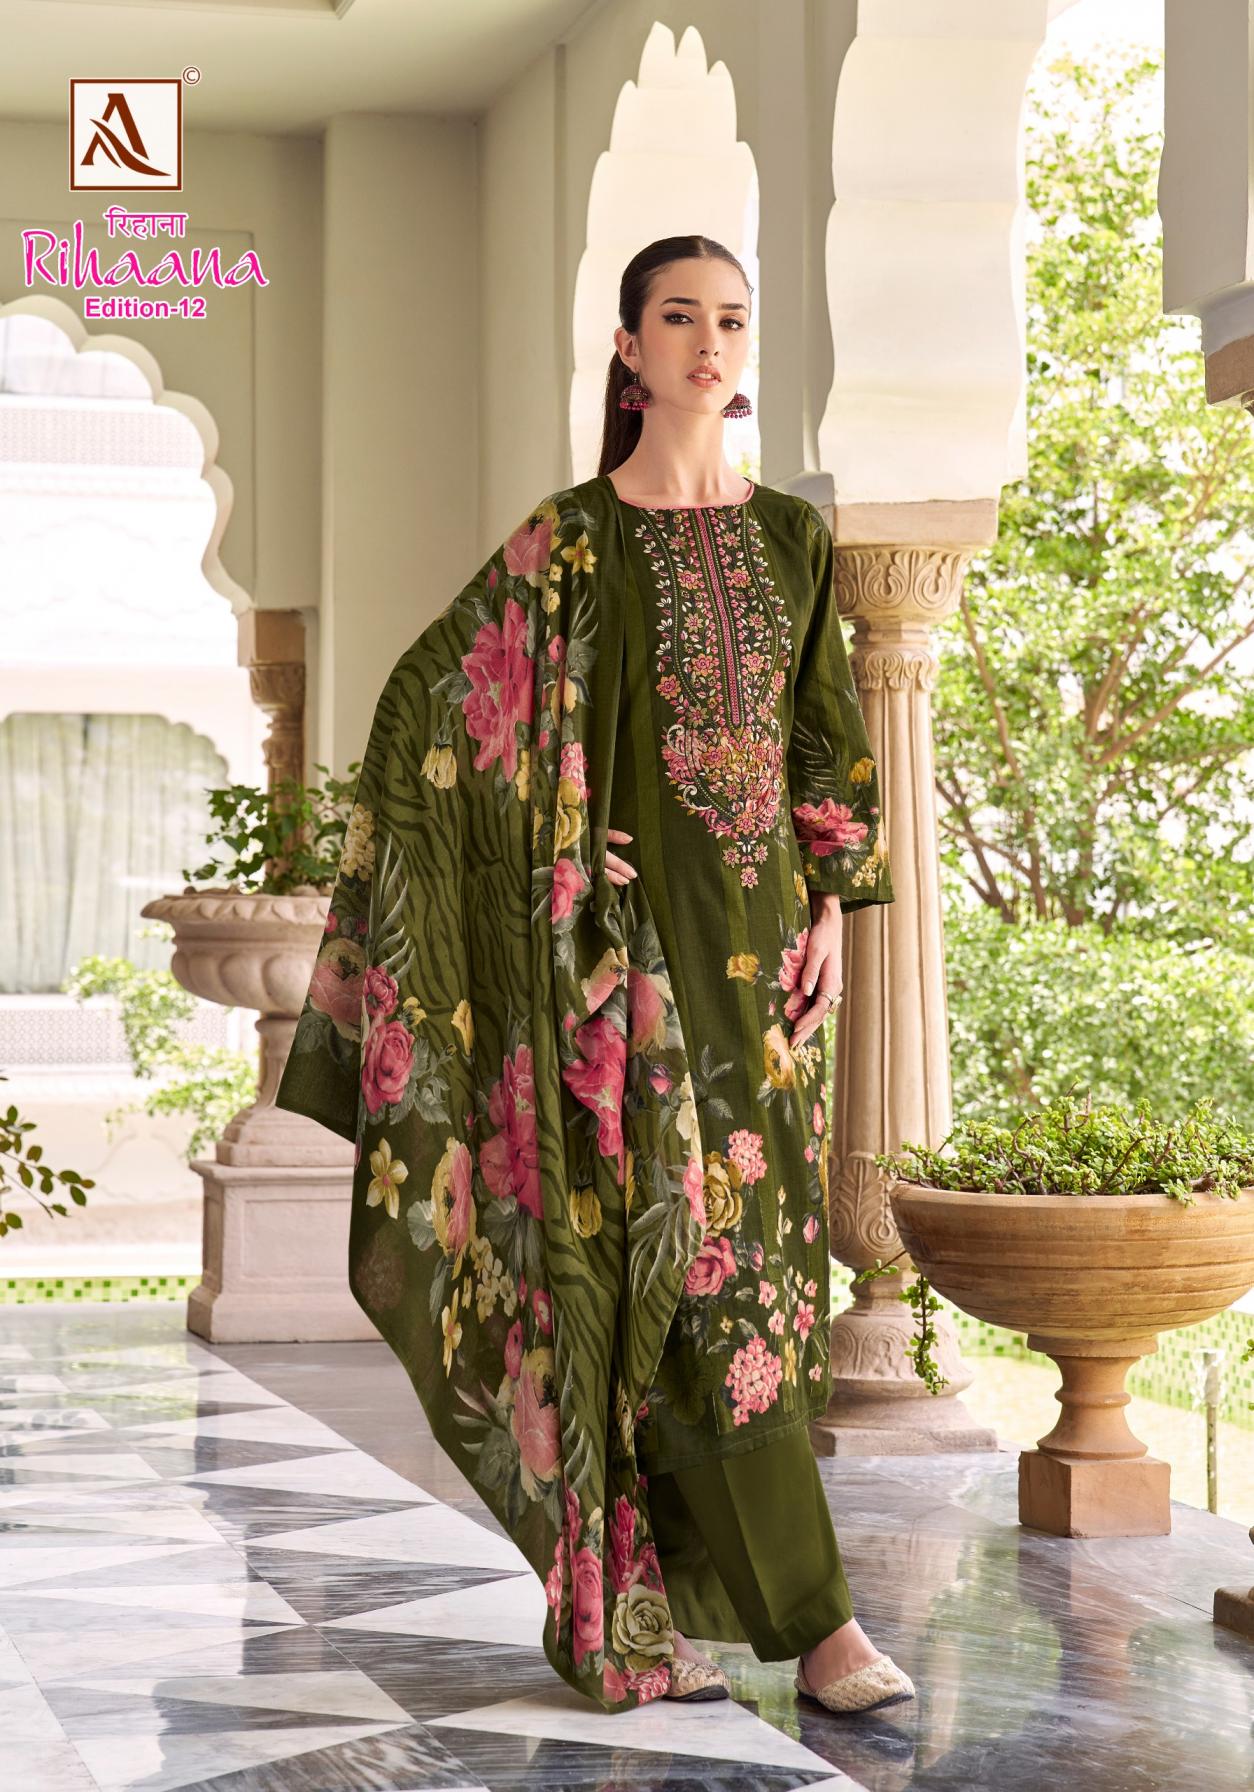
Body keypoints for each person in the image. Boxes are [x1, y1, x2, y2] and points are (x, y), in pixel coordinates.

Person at [274, 231, 913, 1719]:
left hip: (767, 966)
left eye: (730, 319)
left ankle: (664, 1607)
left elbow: (824, 737)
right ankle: (811, 1626)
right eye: (679, 317)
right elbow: (425, 720)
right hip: (618, 976)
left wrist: (834, 905)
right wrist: (546, 837)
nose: (709, 343)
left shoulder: (792, 539)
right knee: (661, 1278)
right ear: (628, 347)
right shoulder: (570, 541)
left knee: (755, 1285)